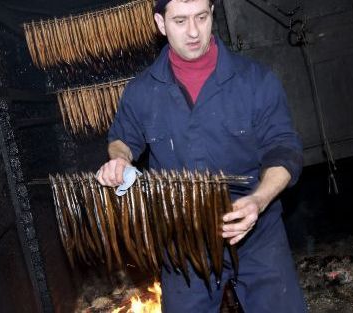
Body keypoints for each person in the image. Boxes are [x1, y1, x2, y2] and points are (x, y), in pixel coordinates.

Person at [96, 0, 307, 311]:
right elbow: (122, 140)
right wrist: (120, 159)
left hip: (255, 230)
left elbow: (284, 149)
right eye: (180, 21)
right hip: (182, 238)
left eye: (201, 17)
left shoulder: (255, 80)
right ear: (160, 24)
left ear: (212, 14)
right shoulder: (141, 92)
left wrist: (259, 200)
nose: (194, 32)